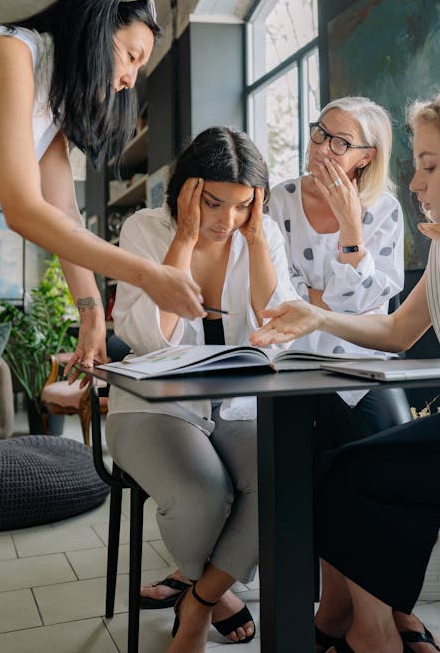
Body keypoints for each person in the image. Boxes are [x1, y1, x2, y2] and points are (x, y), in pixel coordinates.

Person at [250, 79, 440, 653]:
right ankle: (363, 621)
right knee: (345, 469)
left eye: (430, 166)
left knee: (358, 470)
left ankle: (365, 625)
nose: (415, 183)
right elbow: (394, 331)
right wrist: (315, 320)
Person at [106, 126, 299, 651]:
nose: (226, 220)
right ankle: (217, 592)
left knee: (284, 477)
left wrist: (258, 241)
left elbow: (278, 328)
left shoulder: (260, 235)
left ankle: (199, 598)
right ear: (187, 187)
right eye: (213, 203)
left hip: (235, 403)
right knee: (202, 492)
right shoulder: (146, 229)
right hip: (152, 405)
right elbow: (147, 335)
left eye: (241, 206)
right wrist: (185, 240)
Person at [0, 0, 204, 379]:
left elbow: (63, 215)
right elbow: (22, 209)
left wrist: (91, 311)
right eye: (131, 55)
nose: (130, 80)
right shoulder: (12, 53)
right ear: (95, 28)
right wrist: (147, 275)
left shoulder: (50, 107)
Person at [268, 96, 405, 445]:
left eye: (340, 143)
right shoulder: (280, 199)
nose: (322, 148)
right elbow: (280, 295)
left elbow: (375, 301)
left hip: (361, 359)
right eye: (320, 133)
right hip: (291, 358)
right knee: (294, 464)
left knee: (391, 445)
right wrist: (336, 301)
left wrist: (351, 229)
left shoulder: (384, 209)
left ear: (366, 155)